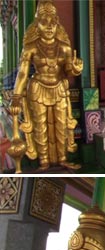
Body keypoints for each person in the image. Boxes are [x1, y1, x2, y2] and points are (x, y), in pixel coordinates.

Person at [9, 0, 82, 171]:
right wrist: (16, 97)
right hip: (38, 88)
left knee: (61, 124)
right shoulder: (30, 48)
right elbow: (22, 73)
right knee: (40, 127)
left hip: (59, 88)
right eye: (44, 21)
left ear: (57, 23)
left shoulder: (64, 47)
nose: (49, 26)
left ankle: (63, 158)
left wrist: (76, 69)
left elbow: (68, 70)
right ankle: (44, 162)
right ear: (37, 24)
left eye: (52, 21)